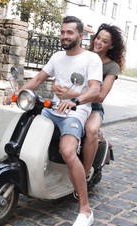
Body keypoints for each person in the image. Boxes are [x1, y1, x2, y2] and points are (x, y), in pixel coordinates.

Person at [5, 16, 102, 226]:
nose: (65, 36)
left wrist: (74, 100)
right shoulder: (57, 57)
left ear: (79, 35)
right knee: (26, 128)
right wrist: (15, 93)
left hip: (75, 111)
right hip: (53, 108)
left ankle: (85, 210)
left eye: (69, 33)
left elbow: (95, 90)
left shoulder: (91, 59)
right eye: (62, 32)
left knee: (68, 151)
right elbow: (38, 79)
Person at [52, 23, 126, 181]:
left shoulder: (111, 67)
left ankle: (84, 175)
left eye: (105, 41)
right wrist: (56, 87)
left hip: (93, 107)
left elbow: (100, 96)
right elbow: (61, 76)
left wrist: (73, 93)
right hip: (71, 101)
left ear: (111, 45)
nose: (99, 42)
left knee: (91, 130)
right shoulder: (83, 55)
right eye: (98, 38)